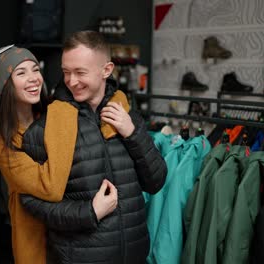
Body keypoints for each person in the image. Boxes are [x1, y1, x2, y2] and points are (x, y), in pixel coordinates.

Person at [20, 30, 167, 264]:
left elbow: (156, 181)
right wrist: (90, 212)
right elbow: (29, 201)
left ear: (106, 70)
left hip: (134, 256)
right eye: (66, 72)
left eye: (80, 72)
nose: (71, 81)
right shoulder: (46, 129)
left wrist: (133, 133)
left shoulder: (128, 117)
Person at [0, 45, 126, 264]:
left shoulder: (52, 112)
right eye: (21, 73)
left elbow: (116, 96)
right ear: (6, 85)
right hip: (36, 241)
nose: (33, 78)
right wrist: (63, 112)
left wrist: (107, 130)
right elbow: (50, 186)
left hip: (76, 237)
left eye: (35, 69)